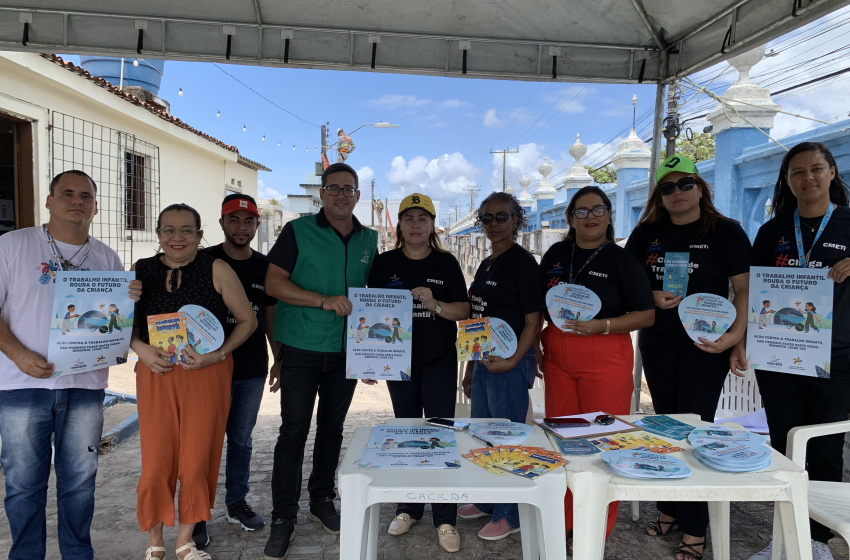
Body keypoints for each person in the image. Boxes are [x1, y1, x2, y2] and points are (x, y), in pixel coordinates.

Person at [0, 170, 141, 560]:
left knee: (80, 482)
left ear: (95, 207)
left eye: (86, 196)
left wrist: (129, 300)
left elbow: (115, 322)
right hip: (21, 384)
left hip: (85, 386)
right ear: (49, 201)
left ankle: (78, 554)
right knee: (23, 483)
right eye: (67, 193)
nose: (77, 201)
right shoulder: (12, 246)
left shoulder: (107, 257)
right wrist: (17, 354)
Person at [625, 155, 751, 560]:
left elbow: (745, 290)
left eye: (684, 184)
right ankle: (669, 508)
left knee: (695, 431)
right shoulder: (646, 234)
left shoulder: (726, 232)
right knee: (665, 428)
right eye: (667, 187)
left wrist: (734, 338)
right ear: (658, 196)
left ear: (700, 187)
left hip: (705, 348)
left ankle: (695, 528)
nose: (676, 193)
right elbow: (629, 287)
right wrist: (649, 297)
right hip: (658, 343)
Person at [732, 142, 850, 560]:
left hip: (835, 357)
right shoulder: (773, 232)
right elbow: (751, 290)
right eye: (797, 172)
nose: (808, 178)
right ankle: (783, 535)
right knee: (785, 443)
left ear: (832, 173)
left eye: (817, 169)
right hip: (779, 354)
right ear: (787, 180)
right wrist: (742, 341)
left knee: (822, 447)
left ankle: (815, 540)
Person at [263, 163, 377, 560]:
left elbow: (374, 298)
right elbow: (274, 283)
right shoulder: (298, 231)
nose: (341, 195)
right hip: (302, 348)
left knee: (332, 429)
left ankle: (321, 499)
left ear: (358, 196)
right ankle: (282, 517)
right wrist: (322, 300)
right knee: (293, 432)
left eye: (348, 189)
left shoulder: (369, 238)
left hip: (346, 352)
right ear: (322, 194)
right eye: (334, 188)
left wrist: (374, 355)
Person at [131, 203, 257, 560]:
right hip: (157, 374)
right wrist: (140, 348)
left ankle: (185, 541)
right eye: (169, 230)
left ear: (200, 235)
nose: (177, 237)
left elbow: (248, 321)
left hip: (206, 374)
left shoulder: (217, 267)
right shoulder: (140, 272)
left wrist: (217, 355)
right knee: (156, 461)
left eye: (187, 230)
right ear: (158, 234)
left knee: (197, 458)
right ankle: (155, 544)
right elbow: (124, 327)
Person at [539, 186, 654, 547]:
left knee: (602, 442)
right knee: (564, 442)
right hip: (559, 354)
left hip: (603, 351)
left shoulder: (622, 260)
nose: (589, 217)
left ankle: (594, 531)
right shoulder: (557, 254)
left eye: (597, 209)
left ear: (608, 215)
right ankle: (566, 521)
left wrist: (600, 325)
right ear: (570, 218)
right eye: (581, 211)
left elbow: (646, 315)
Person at [365, 193, 470, 553]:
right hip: (399, 363)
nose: (415, 224)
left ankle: (445, 517)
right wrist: (368, 359)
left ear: (431, 225)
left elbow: (464, 311)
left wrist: (435, 304)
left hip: (439, 360)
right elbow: (371, 314)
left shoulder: (446, 263)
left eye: (421, 219)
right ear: (399, 225)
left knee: (441, 433)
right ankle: (408, 507)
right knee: (406, 433)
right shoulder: (384, 263)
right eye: (408, 218)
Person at [191, 194, 279, 550]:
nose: (241, 227)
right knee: (203, 442)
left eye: (248, 221)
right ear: (222, 223)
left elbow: (269, 314)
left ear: (257, 225)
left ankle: (236, 502)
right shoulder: (203, 260)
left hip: (251, 367)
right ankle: (197, 513)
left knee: (240, 440)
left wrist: (279, 357)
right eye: (234, 220)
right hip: (208, 370)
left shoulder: (265, 266)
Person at [459, 192, 544, 541]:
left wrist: (512, 361)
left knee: (508, 439)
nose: (494, 223)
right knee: (483, 435)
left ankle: (511, 514)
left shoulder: (522, 263)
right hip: (483, 361)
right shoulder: (487, 262)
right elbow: (477, 317)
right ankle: (491, 501)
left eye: (502, 216)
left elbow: (533, 320)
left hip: (509, 364)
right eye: (487, 218)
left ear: (516, 220)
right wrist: (469, 366)